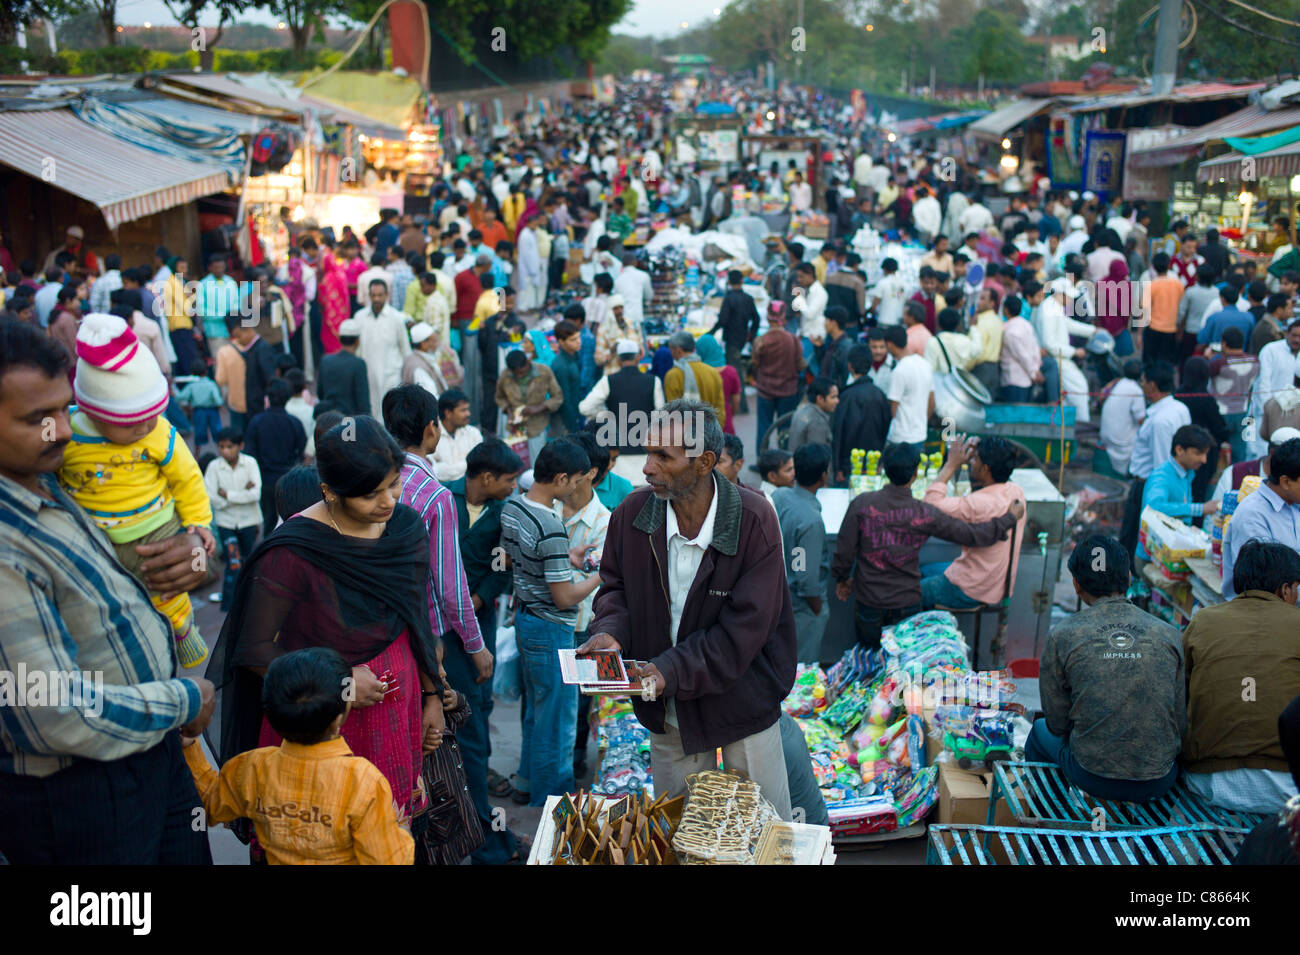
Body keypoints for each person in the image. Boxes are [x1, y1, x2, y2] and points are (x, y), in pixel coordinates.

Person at [0, 318, 216, 863]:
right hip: (82, 796)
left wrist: (194, 558)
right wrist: (184, 698)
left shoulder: (48, 482)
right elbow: (53, 711)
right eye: (38, 419)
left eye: (62, 409)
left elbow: (145, 570)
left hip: (150, 755)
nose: (65, 431)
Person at [209, 416, 448, 857]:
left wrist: (432, 697)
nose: (387, 503)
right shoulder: (294, 550)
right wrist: (338, 685)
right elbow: (254, 649)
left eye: (394, 485)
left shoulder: (406, 529)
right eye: (369, 494)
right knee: (316, 836)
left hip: (396, 703)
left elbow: (416, 616)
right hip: (318, 713)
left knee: (385, 831)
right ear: (329, 492)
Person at [582, 400, 796, 819]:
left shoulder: (754, 520)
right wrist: (610, 631)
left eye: (663, 456)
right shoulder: (632, 515)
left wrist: (671, 670)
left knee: (763, 830)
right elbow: (616, 589)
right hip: (668, 705)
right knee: (681, 832)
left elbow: (745, 629)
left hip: (742, 702)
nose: (646, 467)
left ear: (705, 463)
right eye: (647, 452)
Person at [57, 313, 215, 669]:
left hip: (156, 528)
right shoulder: (69, 435)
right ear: (94, 413)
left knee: (168, 589)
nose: (147, 425)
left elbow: (186, 477)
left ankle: (181, 631)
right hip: (98, 537)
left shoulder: (157, 431)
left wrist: (199, 523)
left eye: (153, 415)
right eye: (133, 423)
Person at [183, 646, 413, 864]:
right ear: (338, 718)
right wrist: (401, 833)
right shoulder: (363, 781)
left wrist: (189, 745)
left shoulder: (253, 768)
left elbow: (210, 805)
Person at [1031, 535, 1184, 801]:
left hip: (1090, 773)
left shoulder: (1063, 634)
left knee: (1038, 734)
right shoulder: (1170, 634)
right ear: (1127, 578)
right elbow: (1179, 722)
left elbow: (1056, 724)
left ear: (1076, 585)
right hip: (1159, 779)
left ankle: (1049, 827)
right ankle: (1148, 840)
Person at [832, 443, 1022, 650]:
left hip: (869, 599)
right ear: (915, 474)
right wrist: (1009, 518)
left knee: (868, 658)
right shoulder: (923, 513)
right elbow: (973, 536)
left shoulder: (862, 504)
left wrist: (842, 579)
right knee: (903, 666)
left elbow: (844, 549)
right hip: (906, 603)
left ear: (883, 469)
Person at [499, 439, 602, 805]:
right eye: (575, 481)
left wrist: (566, 557)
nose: (577, 488)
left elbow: (519, 558)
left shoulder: (515, 506)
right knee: (557, 723)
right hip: (551, 626)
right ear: (560, 478)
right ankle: (551, 804)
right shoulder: (551, 525)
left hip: (526, 618)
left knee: (536, 714)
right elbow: (565, 597)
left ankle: (527, 783)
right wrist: (602, 575)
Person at [444, 439, 528, 858]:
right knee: (464, 720)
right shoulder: (443, 499)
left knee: (479, 707)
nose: (516, 486)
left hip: (479, 624)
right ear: (487, 477)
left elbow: (503, 567)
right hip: (442, 628)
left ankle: (478, 823)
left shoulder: (502, 515)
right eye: (510, 479)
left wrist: (476, 600)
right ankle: (481, 836)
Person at [1180, 541, 1300, 816]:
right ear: (1285, 590)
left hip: (1209, 782)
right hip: (1288, 786)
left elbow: (1178, 696)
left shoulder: (1203, 621)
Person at [554, 432, 613, 780]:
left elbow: (603, 574)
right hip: (546, 620)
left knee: (579, 701)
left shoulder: (605, 522)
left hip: (583, 621)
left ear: (589, 473)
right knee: (544, 699)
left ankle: (574, 761)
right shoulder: (547, 506)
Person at [920, 435, 1028, 611]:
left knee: (910, 593)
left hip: (971, 588)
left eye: (975, 459)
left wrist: (951, 464)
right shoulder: (1017, 492)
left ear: (985, 469)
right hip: (997, 584)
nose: (971, 462)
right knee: (925, 570)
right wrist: (980, 447)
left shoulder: (978, 503)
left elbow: (928, 506)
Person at [1120, 362, 1191, 558]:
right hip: (1167, 484)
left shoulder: (1161, 420)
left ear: (1152, 385)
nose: (1141, 386)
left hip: (1148, 487)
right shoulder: (1180, 408)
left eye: (1143, 382)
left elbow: (1161, 464)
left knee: (1132, 540)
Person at [774, 443, 832, 664]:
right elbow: (804, 574)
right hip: (803, 607)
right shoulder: (810, 521)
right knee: (802, 669)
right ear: (823, 476)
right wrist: (817, 608)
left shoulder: (780, 496)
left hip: (781, 596)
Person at [1222, 438, 1300, 599]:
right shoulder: (1252, 515)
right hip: (1264, 611)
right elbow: (1264, 587)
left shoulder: (1295, 502)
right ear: (1286, 482)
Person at [1135, 424, 1220, 562]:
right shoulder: (1162, 477)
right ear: (1179, 450)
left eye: (1205, 454)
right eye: (1198, 454)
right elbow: (1154, 507)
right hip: (1152, 558)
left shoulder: (1188, 473)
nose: (1204, 460)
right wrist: (1201, 508)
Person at [205, 426, 263, 610]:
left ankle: (248, 601)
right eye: (221, 447)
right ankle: (230, 605)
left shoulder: (251, 463)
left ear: (240, 446)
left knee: (248, 560)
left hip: (249, 521)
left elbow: (255, 494)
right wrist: (241, 493)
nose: (225, 451)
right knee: (234, 562)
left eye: (229, 447)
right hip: (226, 523)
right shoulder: (214, 467)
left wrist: (227, 495)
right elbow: (211, 497)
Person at [244, 377, 307, 534]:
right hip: (287, 478)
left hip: (264, 479)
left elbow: (249, 454)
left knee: (268, 520)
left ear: (268, 398)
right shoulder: (294, 423)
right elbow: (302, 451)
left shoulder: (256, 422)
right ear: (287, 398)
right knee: (288, 522)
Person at [831, 344, 891, 485]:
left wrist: (837, 467)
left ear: (850, 366)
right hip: (873, 462)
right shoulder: (880, 395)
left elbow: (838, 433)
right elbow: (886, 428)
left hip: (849, 465)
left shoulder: (846, 397)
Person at [496, 348, 563, 465]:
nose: (520, 376)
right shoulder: (505, 375)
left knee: (537, 463)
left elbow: (557, 397)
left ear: (527, 363)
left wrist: (539, 408)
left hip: (537, 425)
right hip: (515, 427)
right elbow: (499, 397)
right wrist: (508, 410)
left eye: (522, 372)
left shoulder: (544, 371)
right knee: (513, 463)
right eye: (516, 374)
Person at [354, 279, 411, 416]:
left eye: (380, 295)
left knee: (390, 411)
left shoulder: (396, 318)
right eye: (373, 295)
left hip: (391, 374)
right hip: (367, 374)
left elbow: (405, 349)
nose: (377, 299)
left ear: (386, 295)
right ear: (369, 295)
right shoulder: (359, 317)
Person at [708, 269, 761, 411]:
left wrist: (710, 333)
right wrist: (752, 335)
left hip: (731, 339)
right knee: (736, 371)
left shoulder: (729, 298)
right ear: (742, 281)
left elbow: (723, 320)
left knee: (735, 371)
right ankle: (738, 403)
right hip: (742, 338)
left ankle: (741, 406)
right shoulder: (748, 298)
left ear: (729, 282)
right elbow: (756, 319)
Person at [751, 311, 803, 449]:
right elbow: (800, 365)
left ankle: (762, 459)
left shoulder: (761, 340)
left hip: (765, 390)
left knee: (763, 426)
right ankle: (784, 461)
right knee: (785, 428)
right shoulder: (793, 340)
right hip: (788, 390)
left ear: (768, 319)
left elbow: (755, 363)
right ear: (784, 319)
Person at [1208, 326, 1259, 463]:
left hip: (1220, 412)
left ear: (1224, 344)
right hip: (1242, 411)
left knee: (1214, 451)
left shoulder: (1218, 363)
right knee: (1239, 453)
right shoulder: (1255, 361)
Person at [882, 324, 934, 455]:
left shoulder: (899, 371)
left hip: (900, 436)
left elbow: (893, 409)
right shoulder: (925, 364)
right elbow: (932, 402)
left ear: (890, 344)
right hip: (920, 434)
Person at [663, 330, 726, 424]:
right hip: (712, 431)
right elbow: (720, 409)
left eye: (671, 349)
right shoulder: (712, 372)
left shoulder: (673, 375)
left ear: (678, 350)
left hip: (685, 434)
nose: (670, 353)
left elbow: (673, 413)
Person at [1098, 358, 1147, 478]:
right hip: (1119, 441)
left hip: (1105, 435)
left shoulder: (1117, 383)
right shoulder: (1136, 390)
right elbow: (1142, 421)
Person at [317, 318, 371, 416]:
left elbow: (320, 393)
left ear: (339, 338)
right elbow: (363, 403)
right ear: (357, 341)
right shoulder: (358, 364)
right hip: (349, 422)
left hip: (328, 419)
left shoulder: (326, 361)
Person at [430, 387, 483, 483]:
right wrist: (468, 466)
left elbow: (482, 465)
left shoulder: (473, 433)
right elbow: (433, 471)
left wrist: (446, 469)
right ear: (448, 413)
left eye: (468, 409)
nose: (468, 414)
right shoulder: (431, 435)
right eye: (463, 410)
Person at [177, 359, 224, 452]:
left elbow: (181, 397)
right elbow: (218, 400)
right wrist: (219, 405)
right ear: (206, 371)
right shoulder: (211, 384)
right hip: (212, 410)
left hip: (198, 411)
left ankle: (196, 455)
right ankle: (221, 452)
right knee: (217, 433)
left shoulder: (192, 385)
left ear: (192, 373)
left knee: (199, 434)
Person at [550, 318, 585, 436]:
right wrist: (574, 429)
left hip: (576, 413)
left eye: (579, 337)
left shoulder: (574, 355)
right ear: (561, 342)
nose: (578, 342)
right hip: (565, 421)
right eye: (573, 340)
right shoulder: (560, 365)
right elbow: (564, 400)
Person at [787, 375, 838, 452]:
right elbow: (818, 457)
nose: (837, 401)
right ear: (820, 398)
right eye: (833, 397)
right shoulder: (818, 422)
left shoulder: (802, 410)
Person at [924, 307, 975, 375]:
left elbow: (929, 368)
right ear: (957, 325)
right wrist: (973, 327)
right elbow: (977, 351)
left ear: (939, 324)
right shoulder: (964, 340)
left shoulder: (933, 342)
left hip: (939, 383)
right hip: (958, 382)